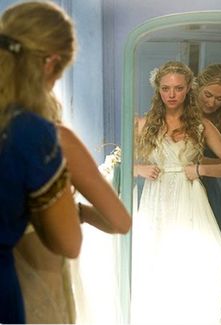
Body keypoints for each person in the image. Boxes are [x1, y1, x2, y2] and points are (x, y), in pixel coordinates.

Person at [0, 1, 131, 324]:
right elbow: (104, 227)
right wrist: (76, 212)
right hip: (23, 284)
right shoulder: (44, 137)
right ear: (52, 64)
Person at [131, 61, 221, 325]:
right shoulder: (142, 124)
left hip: (191, 198)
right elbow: (118, 161)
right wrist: (139, 168)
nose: (172, 94)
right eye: (166, 88)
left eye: (178, 88)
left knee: (195, 262)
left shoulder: (201, 125)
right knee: (158, 262)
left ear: (189, 89)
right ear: (158, 90)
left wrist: (199, 169)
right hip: (157, 200)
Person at [194, 63, 221, 236]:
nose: (211, 103)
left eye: (219, 99)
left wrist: (200, 163)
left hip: (208, 187)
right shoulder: (179, 113)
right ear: (198, 87)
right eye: (208, 95)